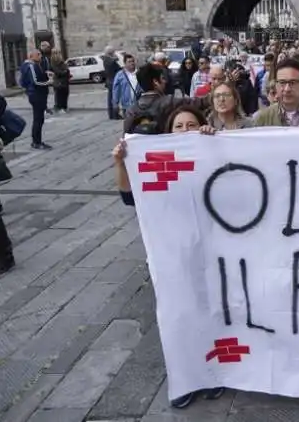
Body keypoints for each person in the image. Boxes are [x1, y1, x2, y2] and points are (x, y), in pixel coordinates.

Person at [112, 105, 222, 408]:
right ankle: (186, 378)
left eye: (192, 125)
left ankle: (213, 374)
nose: (186, 131)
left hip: (211, 253)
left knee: (211, 313)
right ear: (167, 133)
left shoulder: (210, 154)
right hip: (172, 255)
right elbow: (128, 196)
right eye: (179, 127)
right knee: (177, 317)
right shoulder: (161, 162)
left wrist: (214, 142)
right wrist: (122, 162)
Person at [122, 64, 210, 134]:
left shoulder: (131, 110)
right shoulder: (170, 102)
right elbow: (200, 103)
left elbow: (126, 138)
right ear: (156, 82)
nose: (165, 81)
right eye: (162, 78)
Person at [253, 59, 299, 127]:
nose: (287, 89)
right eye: (282, 82)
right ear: (276, 84)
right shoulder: (261, 119)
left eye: (293, 82)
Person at [18, 49, 52, 149]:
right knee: (38, 119)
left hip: (35, 94)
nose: (40, 56)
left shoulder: (29, 65)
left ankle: (37, 141)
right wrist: (48, 82)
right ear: (31, 56)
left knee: (39, 119)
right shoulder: (30, 66)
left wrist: (46, 75)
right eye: (38, 54)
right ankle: (36, 142)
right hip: (36, 95)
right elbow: (35, 81)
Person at [112, 54, 141, 118]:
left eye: (133, 61)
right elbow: (116, 89)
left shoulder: (140, 73)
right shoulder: (120, 75)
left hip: (139, 104)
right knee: (128, 125)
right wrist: (115, 103)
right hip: (127, 105)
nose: (132, 63)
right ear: (125, 63)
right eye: (129, 62)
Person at [102, 47, 121, 119]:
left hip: (110, 81)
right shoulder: (110, 60)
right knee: (114, 99)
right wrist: (114, 56)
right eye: (113, 52)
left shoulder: (106, 59)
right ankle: (114, 114)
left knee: (111, 99)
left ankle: (112, 114)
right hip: (113, 81)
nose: (115, 53)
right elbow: (117, 64)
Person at [50, 49, 70, 113]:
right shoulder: (53, 62)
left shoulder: (62, 61)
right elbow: (57, 72)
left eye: (58, 52)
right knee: (59, 95)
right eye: (55, 53)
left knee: (65, 94)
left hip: (65, 81)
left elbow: (67, 70)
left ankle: (64, 106)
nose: (57, 54)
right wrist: (65, 71)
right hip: (58, 81)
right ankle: (59, 107)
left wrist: (66, 71)